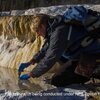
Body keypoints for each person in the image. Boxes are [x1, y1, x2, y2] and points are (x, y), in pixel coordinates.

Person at [18, 14, 100, 87]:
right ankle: (76, 71)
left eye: (37, 31)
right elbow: (47, 48)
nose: (38, 34)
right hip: (81, 54)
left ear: (42, 26)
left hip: (91, 57)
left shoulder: (59, 32)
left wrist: (31, 74)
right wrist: (32, 61)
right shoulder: (54, 27)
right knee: (59, 56)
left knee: (57, 81)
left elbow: (50, 58)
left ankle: (91, 73)